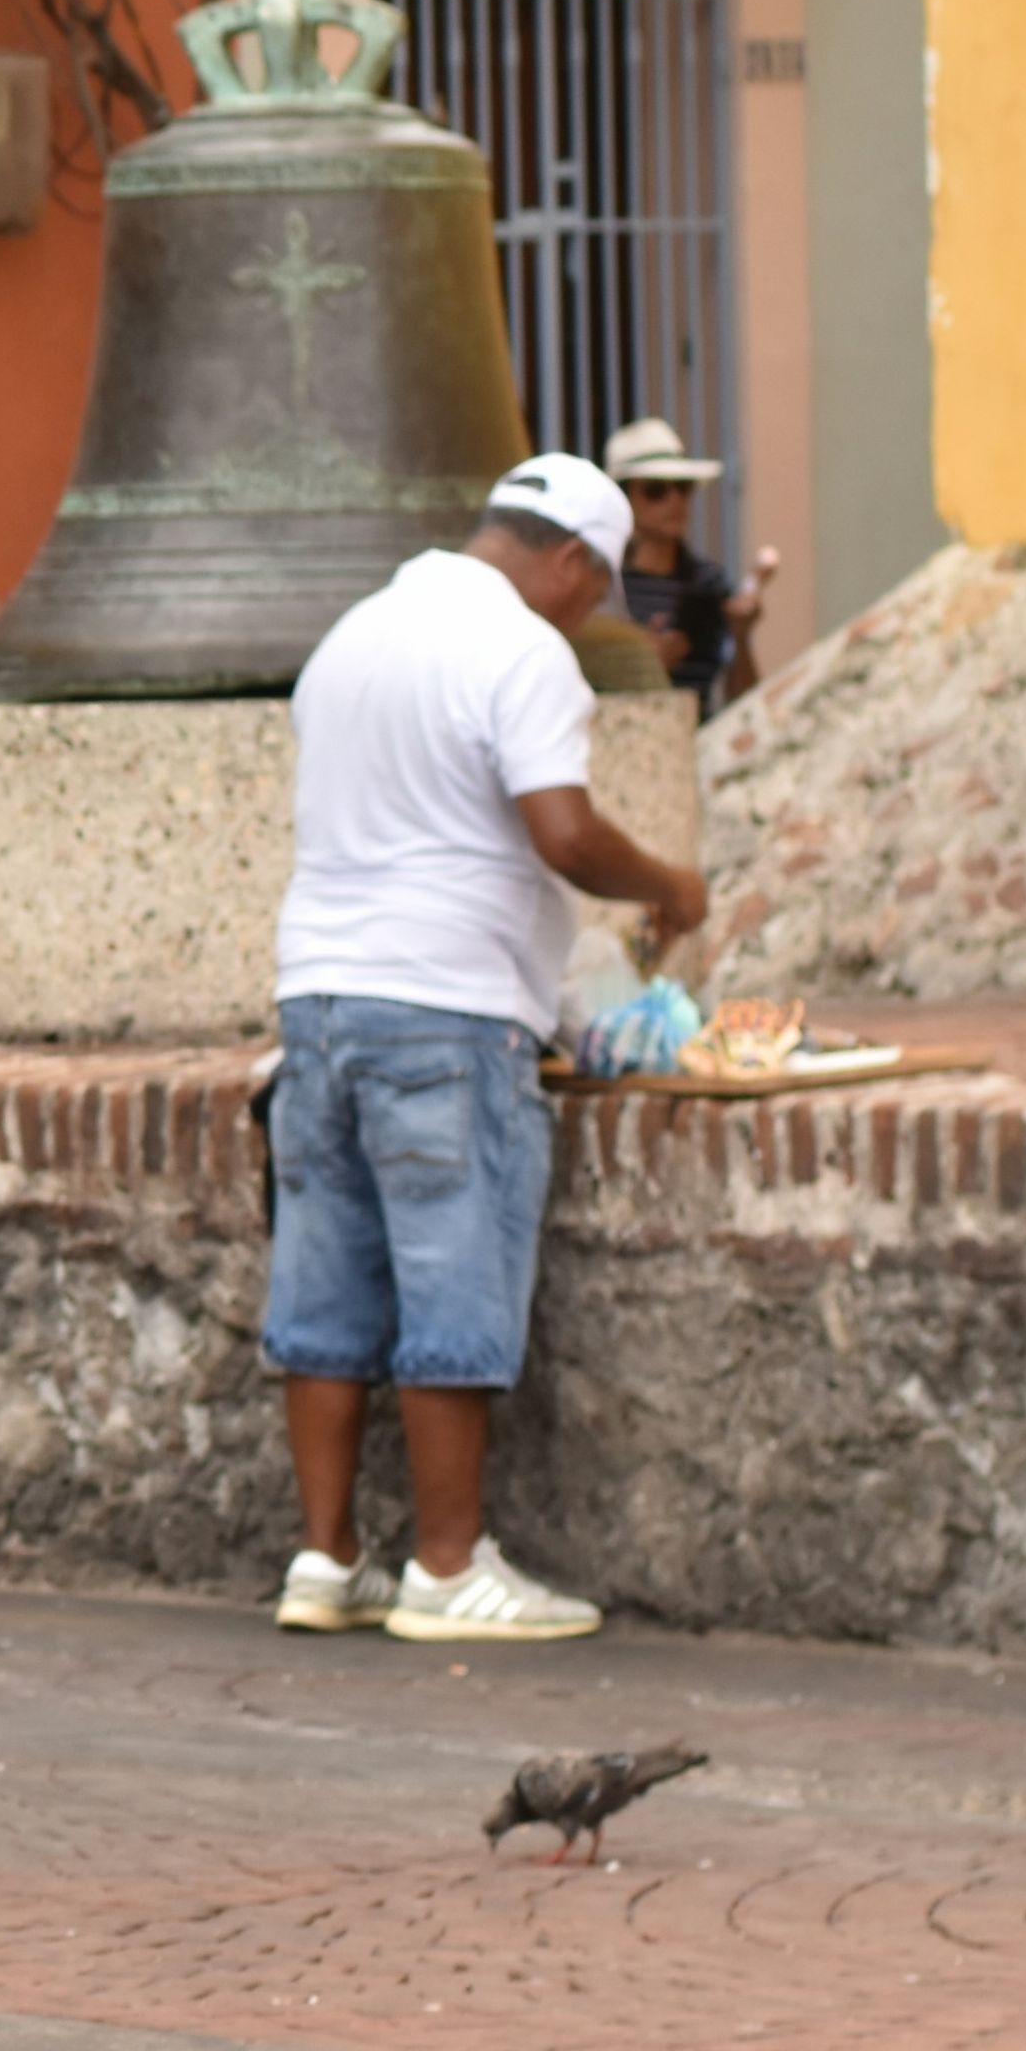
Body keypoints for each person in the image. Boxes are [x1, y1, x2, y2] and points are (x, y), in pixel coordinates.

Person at [266, 449, 709, 1646]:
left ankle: (326, 1557)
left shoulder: (352, 634)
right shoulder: (521, 652)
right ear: (568, 560)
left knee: (325, 1279)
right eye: (596, 587)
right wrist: (667, 882)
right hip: (446, 1008)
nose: (592, 612)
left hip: (315, 997)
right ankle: (450, 1568)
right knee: (451, 1276)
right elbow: (561, 832)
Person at [597, 418, 767, 715]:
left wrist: (741, 635)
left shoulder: (708, 583)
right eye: (656, 490)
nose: (674, 501)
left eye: (683, 487)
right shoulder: (601, 584)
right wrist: (643, 669)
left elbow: (743, 703)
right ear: (623, 499)